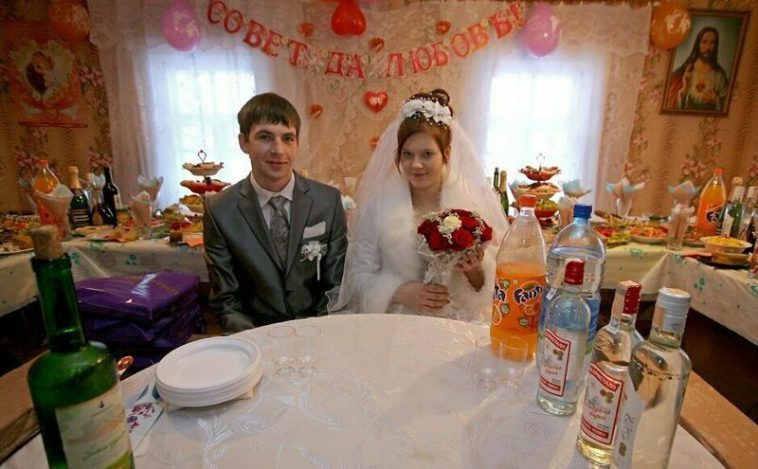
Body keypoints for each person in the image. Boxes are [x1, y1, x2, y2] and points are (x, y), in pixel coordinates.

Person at [333, 89, 509, 321]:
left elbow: (489, 287)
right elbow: (358, 275)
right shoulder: (379, 205)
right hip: (397, 322)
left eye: (427, 154)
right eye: (407, 154)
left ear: (446, 153)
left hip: (456, 324)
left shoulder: (470, 201)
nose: (416, 164)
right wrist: (399, 292)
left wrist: (474, 269)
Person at [203, 92, 348, 332]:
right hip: (255, 336)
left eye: (288, 138)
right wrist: (258, 342)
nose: (278, 150)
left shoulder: (328, 201)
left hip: (318, 331)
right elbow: (227, 300)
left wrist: (319, 332)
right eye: (265, 137)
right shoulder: (220, 210)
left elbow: (336, 285)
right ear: (244, 142)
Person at [666, 27, 729, 111]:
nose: (708, 47)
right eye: (704, 42)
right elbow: (670, 104)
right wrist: (684, 88)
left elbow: (726, 106)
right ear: (698, 44)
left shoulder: (719, 75)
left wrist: (716, 100)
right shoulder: (684, 71)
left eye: (712, 43)